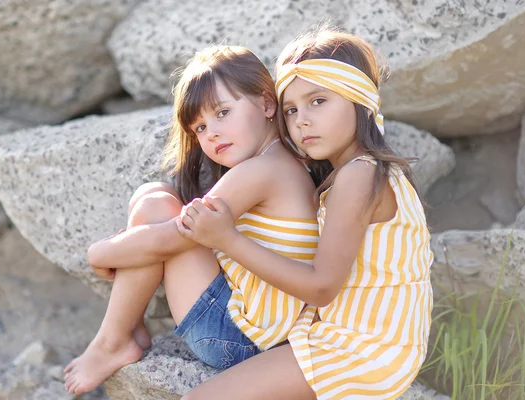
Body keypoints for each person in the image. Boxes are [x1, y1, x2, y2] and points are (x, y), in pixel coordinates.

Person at [177, 27, 433, 400]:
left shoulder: (360, 175)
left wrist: (227, 239)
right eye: (291, 109)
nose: (301, 121)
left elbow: (322, 286)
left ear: (359, 98)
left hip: (359, 350)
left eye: (318, 101)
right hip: (368, 344)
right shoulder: (363, 172)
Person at [63, 45, 320, 395]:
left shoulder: (262, 171)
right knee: (152, 194)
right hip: (253, 329)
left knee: (156, 211)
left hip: (238, 341)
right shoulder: (282, 162)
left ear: (266, 103)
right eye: (199, 127)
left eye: (223, 113)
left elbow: (171, 238)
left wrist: (99, 253)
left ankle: (112, 341)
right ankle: (131, 327)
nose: (211, 133)